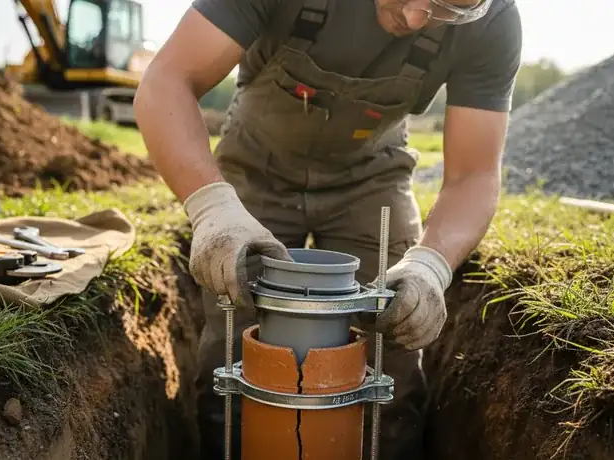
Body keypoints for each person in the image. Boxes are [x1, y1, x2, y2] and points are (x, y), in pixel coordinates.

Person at [134, 0, 522, 458]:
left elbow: (474, 175)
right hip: (255, 170)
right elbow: (166, 82)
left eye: (446, 9)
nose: (416, 19)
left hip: (371, 179)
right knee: (235, 355)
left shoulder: (493, 22)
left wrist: (431, 265)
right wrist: (212, 208)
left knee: (391, 357)